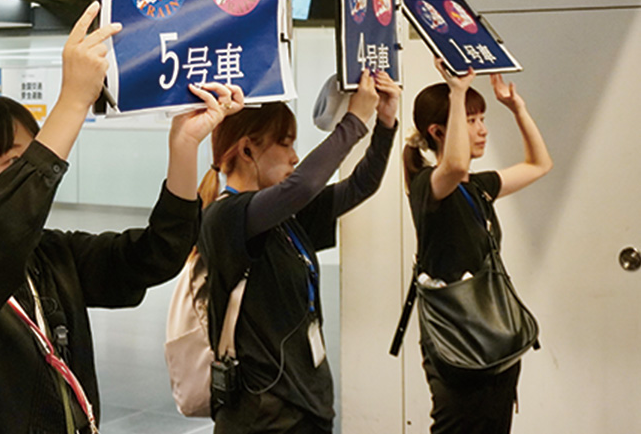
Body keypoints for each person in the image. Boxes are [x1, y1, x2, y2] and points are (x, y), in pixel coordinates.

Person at [0, 2, 244, 433]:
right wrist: (73, 101)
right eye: (11, 164)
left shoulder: (51, 254)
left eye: (30, 159)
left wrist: (183, 147)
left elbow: (157, 254)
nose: (29, 175)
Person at [197, 69, 400, 433]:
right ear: (247, 149)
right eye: (286, 144)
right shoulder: (225, 217)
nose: (295, 157)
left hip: (307, 401)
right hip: (264, 416)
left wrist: (384, 124)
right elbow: (302, 186)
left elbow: (361, 185)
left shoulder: (285, 215)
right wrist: (354, 122)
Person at [404, 60, 552, 434]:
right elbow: (453, 166)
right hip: (457, 345)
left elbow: (539, 164)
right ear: (438, 131)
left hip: (494, 341)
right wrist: (456, 92)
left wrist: (517, 108)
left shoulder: (479, 187)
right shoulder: (427, 186)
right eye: (472, 121)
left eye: (482, 118)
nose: (482, 129)